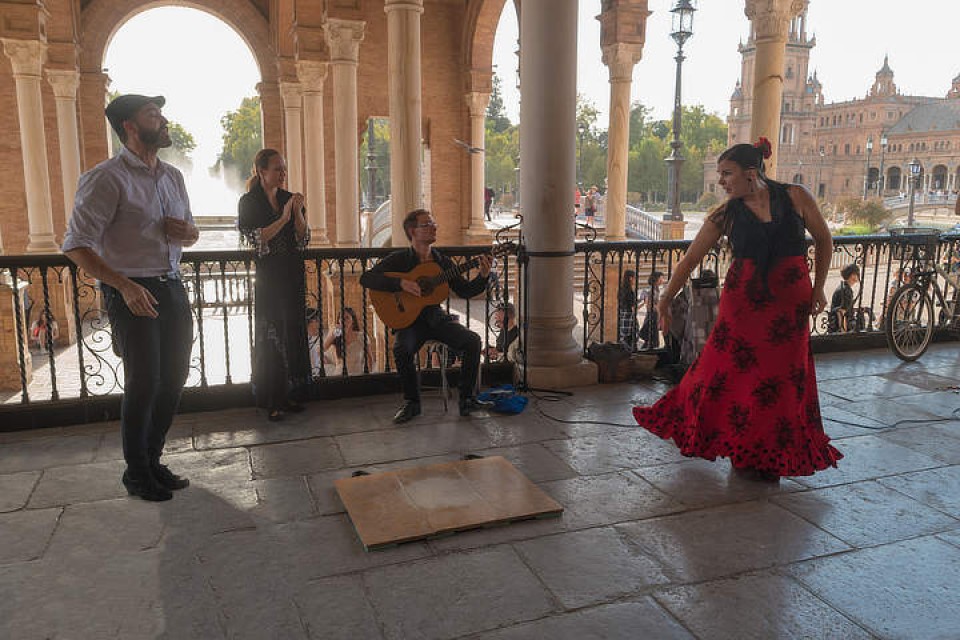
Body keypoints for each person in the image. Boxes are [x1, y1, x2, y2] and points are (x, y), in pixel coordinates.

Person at [633, 138, 842, 482]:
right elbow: (690, 259)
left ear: (751, 173)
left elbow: (824, 239)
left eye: (726, 173)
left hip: (788, 309)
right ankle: (738, 442)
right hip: (743, 306)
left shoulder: (796, 196)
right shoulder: (725, 214)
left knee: (780, 379)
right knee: (721, 371)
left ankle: (768, 451)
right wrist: (665, 299)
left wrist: (819, 287)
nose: (721, 181)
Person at [62, 94, 198, 502]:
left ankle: (152, 460)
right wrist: (122, 285)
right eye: (153, 115)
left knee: (175, 376)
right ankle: (136, 473)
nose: (164, 120)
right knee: (144, 382)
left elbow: (191, 233)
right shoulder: (106, 178)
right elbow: (75, 244)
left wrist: (187, 233)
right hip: (132, 290)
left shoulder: (172, 177)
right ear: (130, 127)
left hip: (172, 285)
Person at [360, 209, 493, 423]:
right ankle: (412, 403)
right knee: (402, 349)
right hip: (410, 322)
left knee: (473, 341)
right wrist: (400, 283)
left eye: (433, 223)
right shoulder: (399, 259)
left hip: (436, 319)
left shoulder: (442, 262)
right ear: (412, 231)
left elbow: (465, 291)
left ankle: (467, 400)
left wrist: (483, 276)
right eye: (427, 224)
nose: (434, 227)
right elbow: (367, 278)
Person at [238, 148, 311, 422]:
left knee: (292, 333)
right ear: (262, 171)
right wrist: (283, 218)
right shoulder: (249, 202)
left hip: (292, 275)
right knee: (270, 338)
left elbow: (303, 238)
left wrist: (297, 211)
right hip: (269, 279)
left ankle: (289, 395)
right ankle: (271, 400)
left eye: (284, 168)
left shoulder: (288, 198)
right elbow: (257, 239)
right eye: (277, 169)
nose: (283, 173)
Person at [323, 307, 372, 375]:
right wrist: (332, 335)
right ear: (339, 321)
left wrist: (368, 375)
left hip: (357, 375)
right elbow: (321, 350)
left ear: (353, 320)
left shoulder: (362, 336)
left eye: (347, 318)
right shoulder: (336, 336)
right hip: (339, 375)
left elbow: (370, 358)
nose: (344, 321)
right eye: (341, 318)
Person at [828, 264, 860, 333]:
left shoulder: (844, 287)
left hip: (836, 324)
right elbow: (841, 313)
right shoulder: (846, 291)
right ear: (852, 275)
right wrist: (844, 332)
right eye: (857, 274)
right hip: (838, 327)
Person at [638, 271, 665, 349]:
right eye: (661, 278)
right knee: (653, 341)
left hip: (654, 315)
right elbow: (649, 305)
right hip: (652, 316)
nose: (662, 280)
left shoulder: (657, 289)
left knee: (651, 341)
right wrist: (658, 308)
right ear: (656, 279)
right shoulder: (651, 290)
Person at [617, 270, 638, 349]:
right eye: (635, 278)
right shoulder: (630, 291)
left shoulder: (621, 289)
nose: (635, 280)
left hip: (622, 315)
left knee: (624, 339)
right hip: (629, 318)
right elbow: (633, 308)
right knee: (630, 341)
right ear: (630, 278)